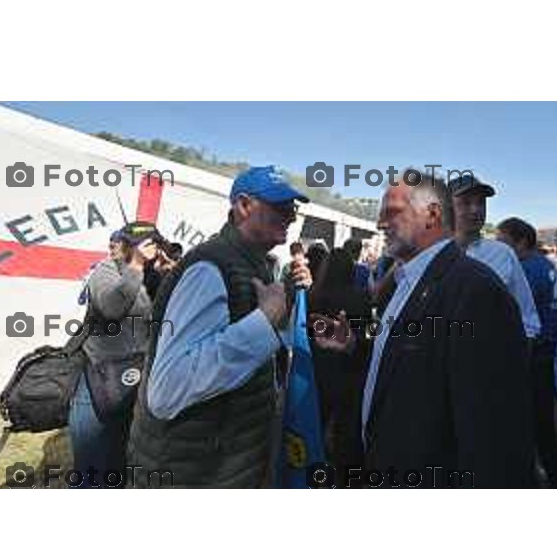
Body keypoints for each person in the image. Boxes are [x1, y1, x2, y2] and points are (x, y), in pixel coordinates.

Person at [314, 172, 535, 488]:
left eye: (391, 212)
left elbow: (494, 442)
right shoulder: (404, 281)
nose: (379, 224)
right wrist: (356, 347)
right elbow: (412, 360)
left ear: (431, 215)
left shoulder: (478, 291)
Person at [127, 166, 311, 488]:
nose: (291, 218)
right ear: (243, 206)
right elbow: (167, 390)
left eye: (292, 209)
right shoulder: (208, 267)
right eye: (281, 207)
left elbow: (254, 350)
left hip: (226, 467)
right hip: (190, 476)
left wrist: (284, 311)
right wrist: (264, 320)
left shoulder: (255, 263)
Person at [68, 221, 160, 488]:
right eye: (147, 244)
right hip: (99, 372)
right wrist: (136, 266)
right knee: (92, 451)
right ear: (129, 247)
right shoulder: (105, 271)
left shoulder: (150, 276)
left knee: (120, 448)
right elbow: (110, 307)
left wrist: (166, 272)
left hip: (134, 372)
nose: (153, 249)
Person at [496, 217, 557, 486]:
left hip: (534, 356)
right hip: (550, 353)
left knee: (532, 427)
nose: (500, 249)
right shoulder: (547, 266)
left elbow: (518, 320)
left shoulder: (526, 271)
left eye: (504, 243)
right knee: (544, 425)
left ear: (521, 242)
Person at [448, 175, 541, 340]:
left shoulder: (503, 254)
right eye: (466, 202)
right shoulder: (429, 253)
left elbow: (528, 319)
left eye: (481, 203)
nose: (476, 209)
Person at [308, 248, 372, 485]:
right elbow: (367, 335)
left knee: (315, 424)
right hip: (347, 371)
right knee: (344, 431)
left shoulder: (313, 295)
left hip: (317, 370)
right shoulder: (361, 297)